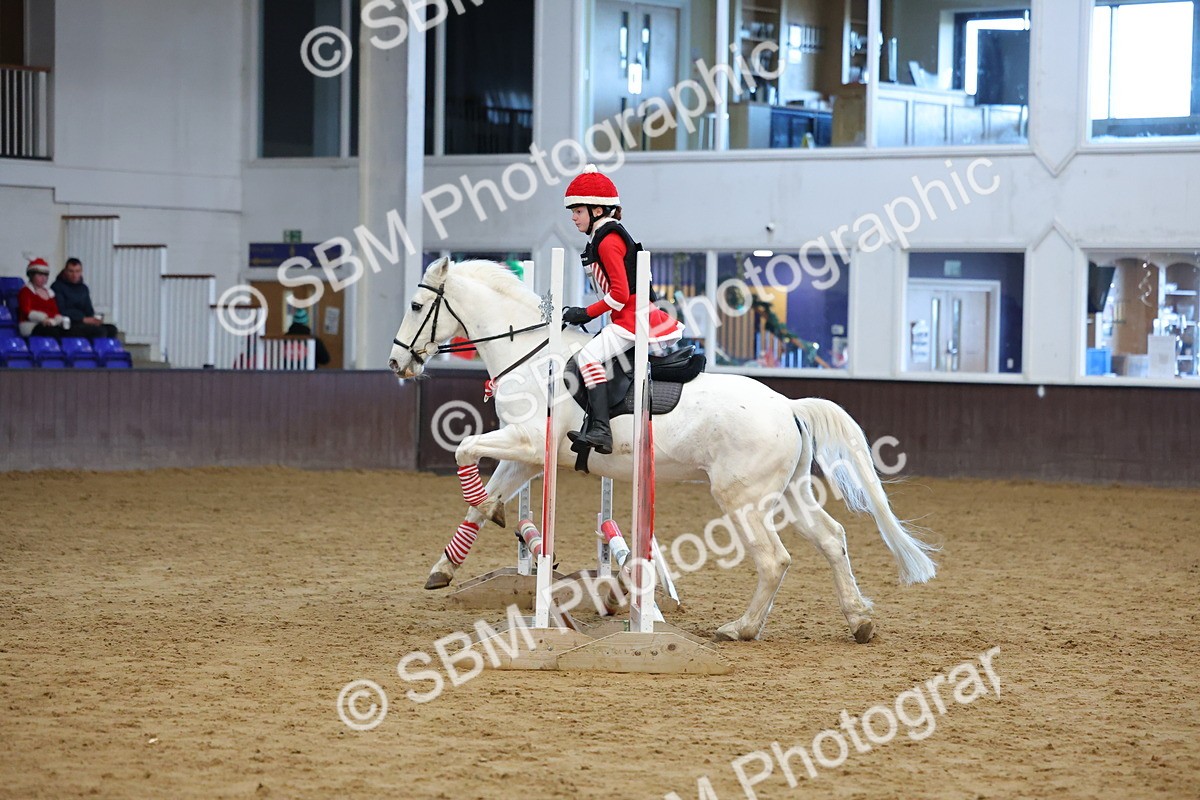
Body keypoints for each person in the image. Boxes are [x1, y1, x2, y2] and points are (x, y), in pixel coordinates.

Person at [561, 164, 683, 454]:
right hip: (630, 315)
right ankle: (595, 423)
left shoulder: (608, 241)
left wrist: (584, 313)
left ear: (597, 211)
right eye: (573, 212)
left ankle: (602, 430)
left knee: (588, 358)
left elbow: (618, 294)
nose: (574, 218)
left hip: (632, 317)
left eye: (578, 211)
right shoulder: (604, 237)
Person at [51, 258, 119, 339]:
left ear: (81, 272)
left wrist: (94, 319)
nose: (74, 275)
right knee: (98, 331)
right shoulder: (57, 286)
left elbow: (89, 309)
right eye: (71, 271)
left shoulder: (84, 288)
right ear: (65, 271)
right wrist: (82, 319)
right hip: (68, 324)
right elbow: (61, 310)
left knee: (112, 329)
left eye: (77, 271)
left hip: (84, 322)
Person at [17, 258, 71, 338]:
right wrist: (43, 319)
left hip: (50, 324)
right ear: (31, 275)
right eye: (40, 275)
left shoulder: (50, 293)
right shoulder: (25, 291)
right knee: (52, 332)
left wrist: (57, 320)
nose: (43, 278)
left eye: (46, 275)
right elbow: (26, 311)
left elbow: (55, 312)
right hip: (31, 325)